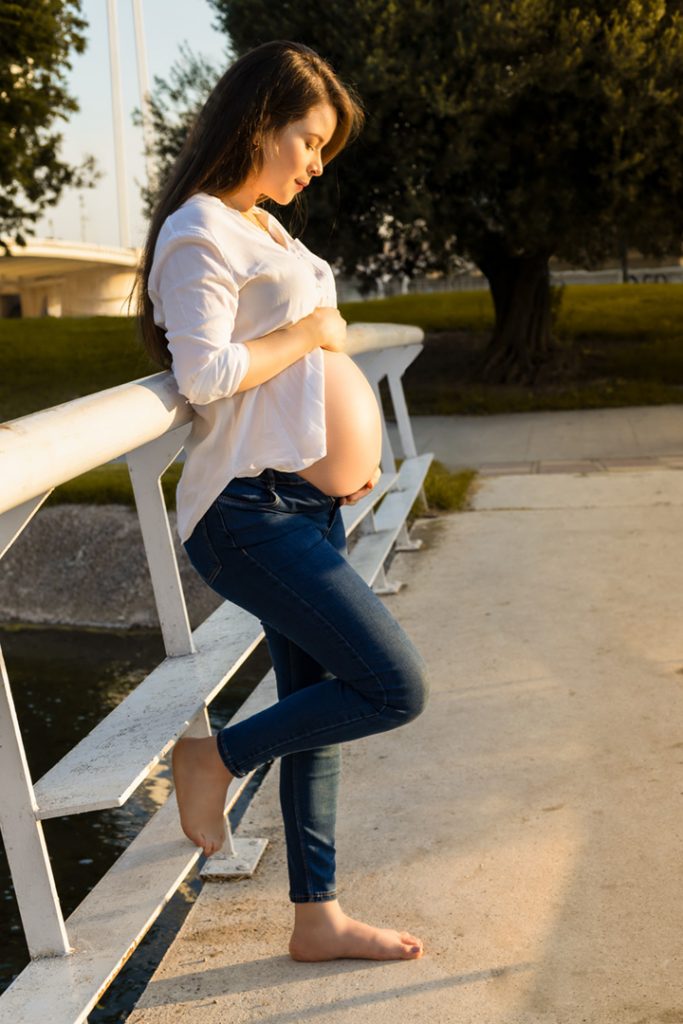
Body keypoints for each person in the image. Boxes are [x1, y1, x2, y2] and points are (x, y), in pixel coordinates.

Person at [137, 40, 430, 963]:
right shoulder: (197, 231)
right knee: (390, 687)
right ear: (257, 120)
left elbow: (303, 376)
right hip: (245, 516)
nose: (313, 164)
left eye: (322, 150)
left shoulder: (265, 229)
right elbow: (207, 375)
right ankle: (213, 757)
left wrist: (349, 456)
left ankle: (317, 918)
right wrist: (310, 333)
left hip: (305, 506)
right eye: (307, 141)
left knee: (324, 698)